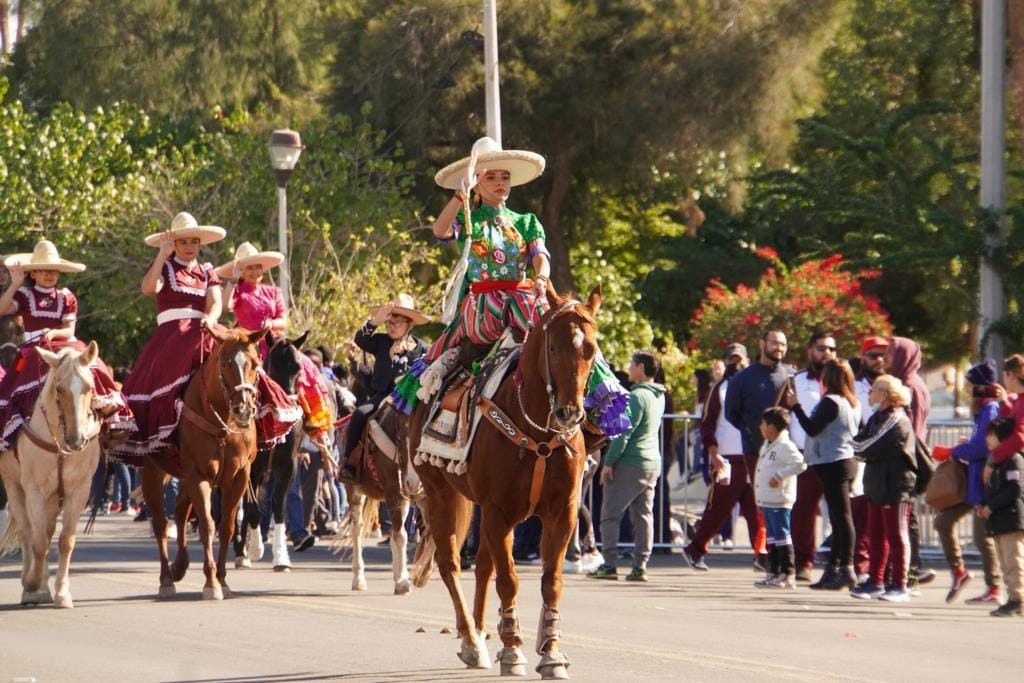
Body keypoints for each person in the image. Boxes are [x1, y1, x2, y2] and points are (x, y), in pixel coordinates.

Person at [391, 137, 629, 438]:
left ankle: (598, 402)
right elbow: (440, 230)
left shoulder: (526, 221)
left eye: (505, 177)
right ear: (477, 183)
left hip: (525, 295)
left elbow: (540, 257)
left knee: (571, 337)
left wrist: (541, 278)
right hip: (484, 304)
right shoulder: (469, 218)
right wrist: (458, 197)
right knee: (492, 338)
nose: (500, 182)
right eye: (491, 176)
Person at [114, 213, 294, 460]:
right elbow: (148, 289)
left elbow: (216, 303)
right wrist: (161, 255)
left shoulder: (207, 271)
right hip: (172, 334)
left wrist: (210, 317)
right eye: (183, 242)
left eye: (194, 242)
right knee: (162, 381)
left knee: (241, 360)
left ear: (200, 244)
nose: (189, 247)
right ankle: (168, 433)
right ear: (174, 244)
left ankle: (259, 416)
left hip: (204, 328)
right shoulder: (165, 267)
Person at [0, 240, 134, 452]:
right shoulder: (25, 295)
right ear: (32, 273)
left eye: (53, 270)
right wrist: (15, 284)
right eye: (43, 270)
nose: (49, 275)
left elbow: (69, 330)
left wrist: (53, 333)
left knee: (93, 364)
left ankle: (110, 415)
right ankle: (16, 435)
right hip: (36, 349)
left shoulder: (66, 296)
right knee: (11, 387)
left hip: (65, 343)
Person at [217, 242, 319, 440]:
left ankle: (309, 418)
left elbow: (284, 319)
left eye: (257, 266)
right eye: (249, 267)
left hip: (275, 343)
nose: (255, 271)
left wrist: (271, 322)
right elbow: (225, 306)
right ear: (241, 270)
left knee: (303, 366)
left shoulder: (273, 291)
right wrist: (233, 280)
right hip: (249, 345)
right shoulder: (237, 291)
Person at [588, 350, 666, 582]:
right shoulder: (658, 395)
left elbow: (624, 432)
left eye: (632, 364)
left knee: (610, 514)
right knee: (643, 515)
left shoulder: (636, 396)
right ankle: (640, 565)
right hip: (651, 460)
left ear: (641, 367)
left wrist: (609, 462)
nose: (629, 367)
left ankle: (609, 564)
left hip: (630, 462)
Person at [684, 343, 763, 570]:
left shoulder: (754, 386)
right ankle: (695, 549)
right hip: (728, 458)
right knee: (718, 508)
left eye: (740, 360)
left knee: (755, 509)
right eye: (731, 360)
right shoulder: (719, 389)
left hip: (753, 456)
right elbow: (707, 424)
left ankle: (762, 553)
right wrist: (714, 453)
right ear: (726, 362)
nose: (736, 364)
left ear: (748, 361)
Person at [783, 359, 861, 590]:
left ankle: (846, 567)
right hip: (843, 460)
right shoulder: (851, 402)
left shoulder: (831, 402)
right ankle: (835, 569)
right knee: (838, 519)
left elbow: (812, 428)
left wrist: (795, 406)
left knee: (842, 518)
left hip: (833, 461)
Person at [932, 360, 1002, 604]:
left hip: (984, 481)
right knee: (943, 521)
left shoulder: (990, 409)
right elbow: (978, 442)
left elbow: (982, 447)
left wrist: (953, 451)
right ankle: (959, 572)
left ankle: (994, 588)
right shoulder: (983, 410)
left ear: (982, 387)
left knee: (983, 537)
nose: (967, 389)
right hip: (973, 481)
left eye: (971, 384)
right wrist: (962, 446)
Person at [338, 294, 428, 480]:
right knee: (360, 414)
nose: (391, 326)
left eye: (397, 322)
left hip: (410, 397)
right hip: (382, 395)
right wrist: (376, 321)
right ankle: (349, 463)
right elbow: (360, 339)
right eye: (389, 322)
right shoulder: (380, 341)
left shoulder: (422, 348)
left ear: (409, 324)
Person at [723, 329, 792, 570]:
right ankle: (765, 553)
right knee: (764, 502)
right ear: (762, 344)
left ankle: (785, 557)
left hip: (788, 452)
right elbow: (731, 413)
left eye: (783, 344)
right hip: (756, 451)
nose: (779, 348)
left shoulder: (790, 376)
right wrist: (752, 432)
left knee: (787, 503)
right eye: (774, 343)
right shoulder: (743, 379)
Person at [849, 375, 916, 602]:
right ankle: (875, 581)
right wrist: (856, 447)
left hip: (895, 486)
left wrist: (856, 448)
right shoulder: (877, 417)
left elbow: (867, 445)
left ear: (886, 394)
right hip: (877, 484)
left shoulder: (896, 418)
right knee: (876, 536)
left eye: (874, 390)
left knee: (896, 536)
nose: (870, 394)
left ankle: (900, 584)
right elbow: (860, 441)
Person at [884, 336, 935, 588]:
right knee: (905, 515)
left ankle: (910, 570)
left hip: (906, 460)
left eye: (891, 353)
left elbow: (907, 430)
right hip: (906, 458)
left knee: (905, 516)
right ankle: (908, 568)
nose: (885, 358)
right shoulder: (908, 383)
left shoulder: (909, 388)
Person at [789, 332, 837, 581]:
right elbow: (781, 413)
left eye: (831, 349)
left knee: (843, 512)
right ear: (811, 351)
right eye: (821, 348)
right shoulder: (796, 381)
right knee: (804, 513)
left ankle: (843, 564)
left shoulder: (843, 382)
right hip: (804, 455)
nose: (826, 353)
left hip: (836, 456)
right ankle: (803, 563)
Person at [753, 407, 806, 588]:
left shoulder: (785, 446)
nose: (760, 426)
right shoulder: (767, 444)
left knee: (782, 536)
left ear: (772, 427)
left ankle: (787, 573)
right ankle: (773, 572)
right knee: (772, 539)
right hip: (767, 499)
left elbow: (800, 463)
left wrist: (779, 476)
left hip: (780, 499)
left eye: (763, 423)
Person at [980, 417, 1024, 617]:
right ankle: (1012, 598)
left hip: (1011, 519)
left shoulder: (1014, 459)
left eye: (991, 435)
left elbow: (1014, 489)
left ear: (1003, 437)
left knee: (1013, 561)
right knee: (1005, 563)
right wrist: (983, 505)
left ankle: (1018, 600)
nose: (987, 439)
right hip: (999, 520)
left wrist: (991, 506)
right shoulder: (997, 461)